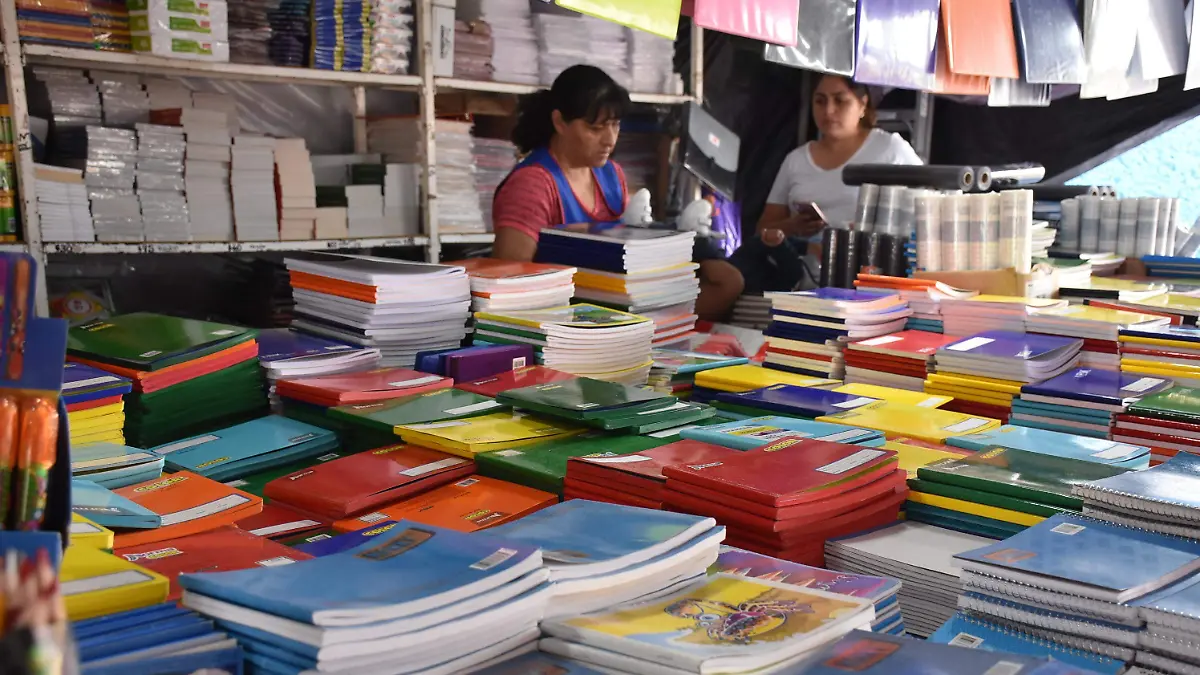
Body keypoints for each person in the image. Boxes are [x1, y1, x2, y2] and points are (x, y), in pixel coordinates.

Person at [491, 64, 744, 321]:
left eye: (615, 125)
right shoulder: (532, 185)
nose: (610, 139)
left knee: (725, 280)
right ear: (560, 122)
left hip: (616, 305)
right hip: (563, 317)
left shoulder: (611, 175)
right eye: (595, 128)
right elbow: (511, 280)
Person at [751, 74, 923, 286]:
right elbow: (763, 230)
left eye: (840, 100)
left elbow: (928, 207)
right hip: (803, 278)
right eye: (820, 101)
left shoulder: (889, 149)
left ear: (862, 104)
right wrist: (792, 226)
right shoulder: (795, 160)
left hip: (869, 275)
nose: (829, 110)